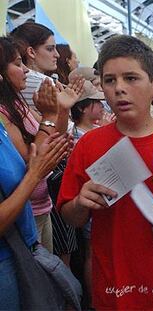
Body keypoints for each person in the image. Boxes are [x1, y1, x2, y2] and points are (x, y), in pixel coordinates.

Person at [57, 35, 153, 310]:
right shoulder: (90, 145)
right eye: (109, 80)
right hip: (118, 287)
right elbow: (70, 216)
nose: (119, 89)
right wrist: (81, 202)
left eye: (131, 78)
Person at [0, 35, 68, 309]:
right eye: (18, 63)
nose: (26, 68)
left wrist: (53, 114)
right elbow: (33, 165)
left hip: (23, 247)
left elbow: (36, 156)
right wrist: (34, 174)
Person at [0, 36, 81, 253]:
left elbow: (53, 138)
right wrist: (49, 115)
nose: (25, 70)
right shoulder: (4, 113)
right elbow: (32, 158)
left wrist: (60, 111)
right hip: (27, 209)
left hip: (39, 205)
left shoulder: (17, 103)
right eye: (18, 64)